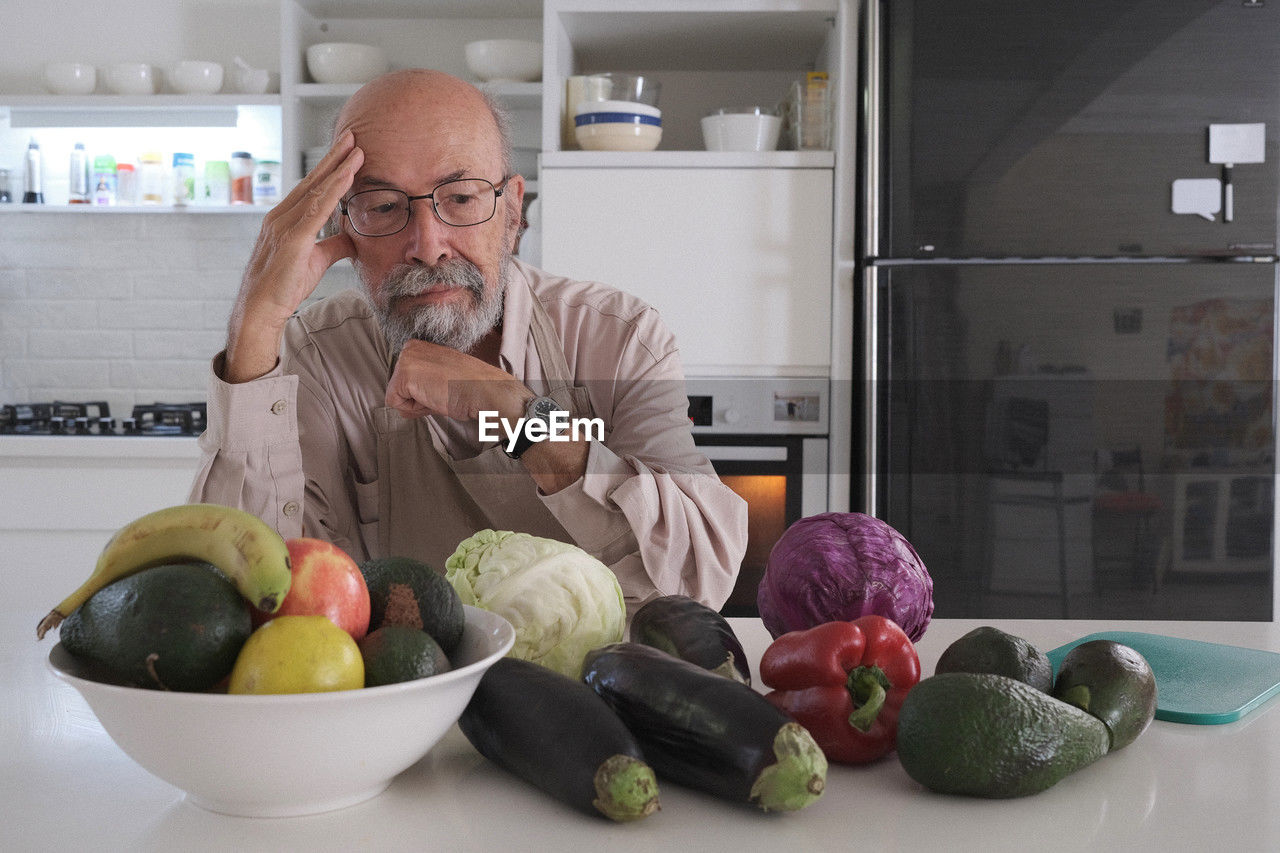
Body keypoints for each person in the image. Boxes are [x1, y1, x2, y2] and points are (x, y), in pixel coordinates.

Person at [190, 68, 747, 613]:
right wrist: (256, 323)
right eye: (383, 206)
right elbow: (249, 592)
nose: (428, 246)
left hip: (592, 696)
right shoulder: (313, 355)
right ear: (345, 227)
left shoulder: (620, 339)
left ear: (511, 213)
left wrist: (517, 412)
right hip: (402, 695)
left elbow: (699, 582)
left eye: (460, 197)